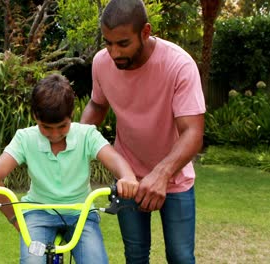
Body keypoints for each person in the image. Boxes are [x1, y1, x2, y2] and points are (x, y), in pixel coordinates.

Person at [80, 0, 206, 263]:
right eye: (108, 43)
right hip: (128, 179)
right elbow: (97, 104)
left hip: (175, 180)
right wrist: (75, 143)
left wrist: (161, 174)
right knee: (135, 256)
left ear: (145, 32)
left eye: (123, 43)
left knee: (181, 257)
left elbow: (192, 132)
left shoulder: (179, 64)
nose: (114, 53)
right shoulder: (102, 63)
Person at [0, 73, 139, 264]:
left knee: (95, 260)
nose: (55, 134)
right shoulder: (25, 138)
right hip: (38, 212)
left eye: (62, 126)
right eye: (46, 127)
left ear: (71, 116)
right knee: (33, 261)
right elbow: (0, 165)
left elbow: (114, 159)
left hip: (81, 214)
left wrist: (128, 176)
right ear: (35, 117)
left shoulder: (86, 135)